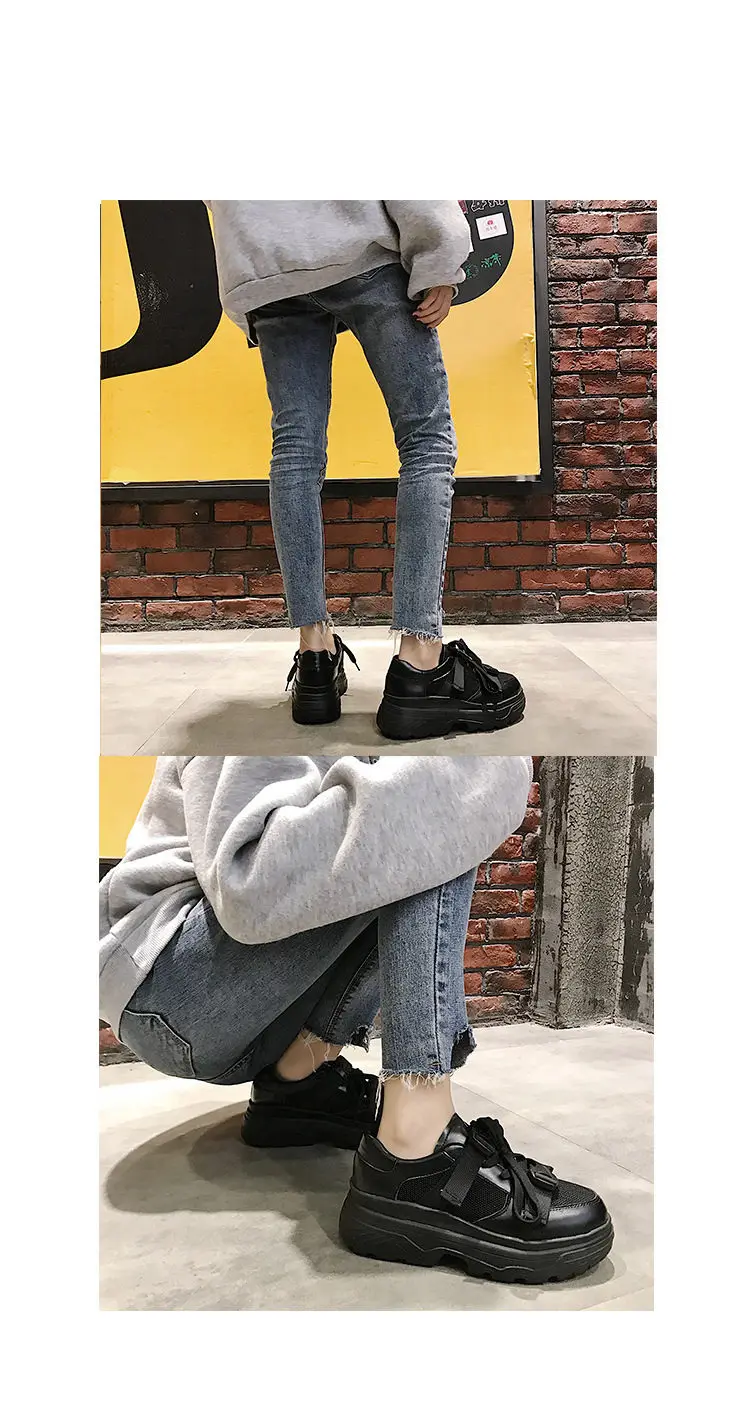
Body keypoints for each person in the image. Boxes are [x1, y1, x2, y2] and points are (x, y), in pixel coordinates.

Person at [100, 755, 613, 1284]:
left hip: (225, 1005)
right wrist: (480, 769)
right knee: (431, 800)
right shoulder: (257, 705)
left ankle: (299, 1079)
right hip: (163, 983)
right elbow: (248, 883)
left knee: (426, 796)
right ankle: (416, 1145)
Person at [206, 201, 525, 740]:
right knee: (425, 443)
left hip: (266, 268)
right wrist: (439, 257)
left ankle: (314, 656)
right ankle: (420, 663)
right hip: (360, 254)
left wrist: (248, 286)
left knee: (295, 452)